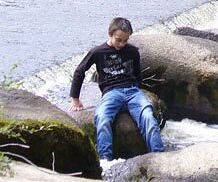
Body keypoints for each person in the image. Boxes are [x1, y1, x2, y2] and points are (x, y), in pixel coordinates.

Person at [69, 17, 164, 162]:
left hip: (132, 91)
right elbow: (79, 72)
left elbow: (138, 75)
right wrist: (75, 99)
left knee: (148, 118)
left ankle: (159, 158)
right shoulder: (98, 52)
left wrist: (137, 89)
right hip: (111, 93)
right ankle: (105, 161)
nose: (122, 44)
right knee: (102, 117)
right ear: (110, 33)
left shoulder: (132, 51)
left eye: (125, 40)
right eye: (118, 39)